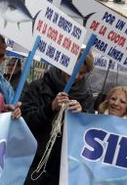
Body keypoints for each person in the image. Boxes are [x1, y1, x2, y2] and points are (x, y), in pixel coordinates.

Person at [20, 51, 94, 185]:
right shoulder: (39, 86)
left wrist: (82, 116)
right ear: (64, 65)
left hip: (62, 169)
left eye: (82, 73)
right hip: (33, 163)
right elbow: (25, 123)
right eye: (74, 71)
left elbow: (88, 137)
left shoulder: (86, 97)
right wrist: (50, 108)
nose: (77, 76)